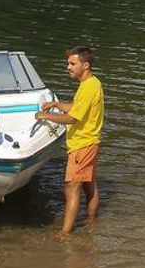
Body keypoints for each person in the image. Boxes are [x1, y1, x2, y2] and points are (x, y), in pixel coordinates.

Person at [35, 45, 104, 237]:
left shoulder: (88, 88)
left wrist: (45, 116)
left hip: (82, 145)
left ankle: (65, 232)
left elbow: (73, 118)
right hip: (91, 142)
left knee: (71, 188)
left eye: (73, 64)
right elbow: (77, 108)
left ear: (86, 65)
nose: (68, 67)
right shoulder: (93, 83)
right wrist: (57, 104)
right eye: (68, 63)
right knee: (89, 184)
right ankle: (91, 221)